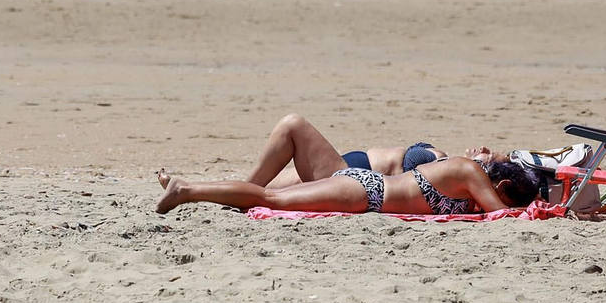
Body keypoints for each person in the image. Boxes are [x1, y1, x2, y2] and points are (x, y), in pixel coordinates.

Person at [154, 113, 541, 215]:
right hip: (366, 190)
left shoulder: (464, 178)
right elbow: (498, 215)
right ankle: (187, 191)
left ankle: (192, 190)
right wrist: (544, 211)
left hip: (364, 189)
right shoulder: (469, 172)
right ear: (503, 188)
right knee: (270, 200)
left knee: (271, 197)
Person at [249, 114, 500, 189]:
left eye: (489, 156)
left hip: (349, 176)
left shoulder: (451, 172)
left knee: (293, 126)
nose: (484, 149)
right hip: (347, 163)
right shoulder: (447, 161)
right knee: (259, 186)